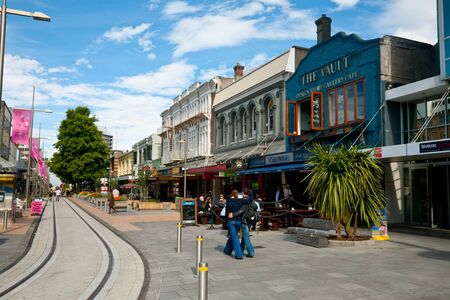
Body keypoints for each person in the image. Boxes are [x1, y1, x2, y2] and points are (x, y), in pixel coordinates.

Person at [223, 190, 252, 259]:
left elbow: (226, 212)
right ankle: (227, 250)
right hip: (239, 221)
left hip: (231, 221)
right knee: (233, 236)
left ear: (231, 194)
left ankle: (239, 254)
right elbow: (250, 200)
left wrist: (226, 221)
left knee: (234, 237)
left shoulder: (229, 201)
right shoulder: (240, 200)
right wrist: (250, 193)